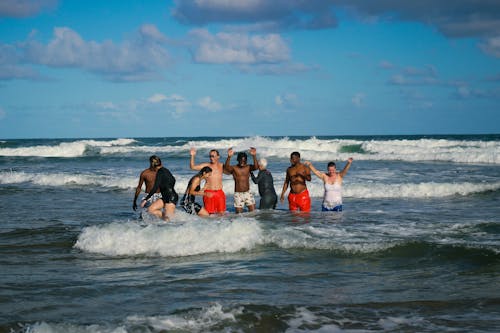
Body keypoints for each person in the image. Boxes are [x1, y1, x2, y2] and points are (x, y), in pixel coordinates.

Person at [190, 148, 227, 214]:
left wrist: (229, 156)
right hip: (209, 193)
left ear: (218, 157)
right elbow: (193, 167)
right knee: (209, 215)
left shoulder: (221, 166)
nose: (211, 158)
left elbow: (230, 170)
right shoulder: (206, 166)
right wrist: (192, 156)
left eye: (213, 156)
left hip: (220, 193)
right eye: (210, 156)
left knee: (222, 214)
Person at [225, 147, 259, 213]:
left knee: (253, 213)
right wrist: (229, 157)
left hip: (248, 193)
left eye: (244, 161)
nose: (242, 162)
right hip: (238, 194)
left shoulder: (248, 167)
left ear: (246, 160)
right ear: (238, 160)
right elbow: (226, 168)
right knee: (239, 215)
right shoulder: (234, 168)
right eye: (241, 160)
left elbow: (256, 167)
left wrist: (254, 156)